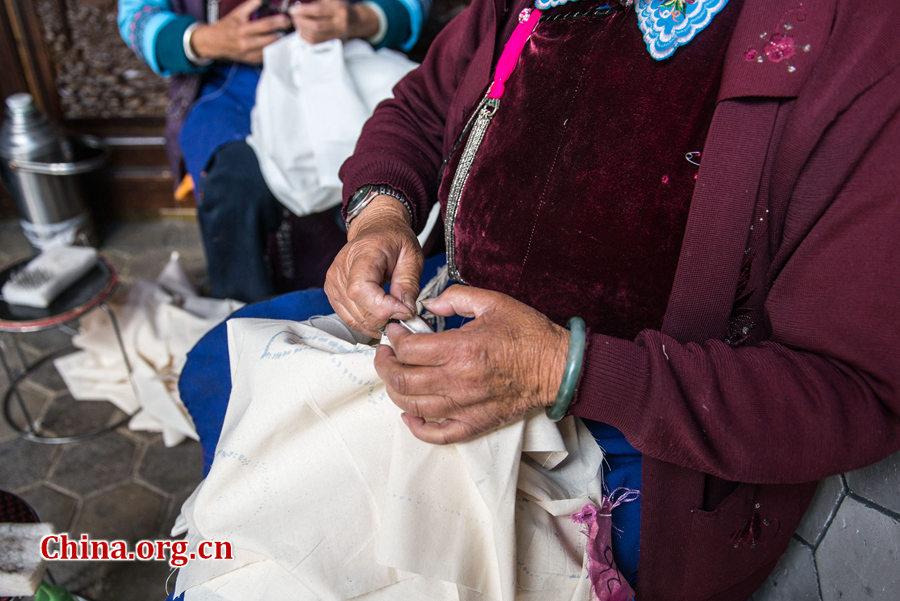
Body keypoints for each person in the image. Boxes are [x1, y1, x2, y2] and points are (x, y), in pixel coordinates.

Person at [178, 0, 899, 598]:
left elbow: (854, 392)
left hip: (646, 431)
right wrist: (380, 211)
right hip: (452, 312)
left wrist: (567, 368)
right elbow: (424, 104)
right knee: (222, 364)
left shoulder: (851, 39)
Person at [118, 0, 431, 302]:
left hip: (345, 61)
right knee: (234, 184)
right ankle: (245, 323)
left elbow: (410, 7)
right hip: (229, 81)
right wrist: (204, 40)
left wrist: (360, 18)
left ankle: (384, 309)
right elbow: (137, 18)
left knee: (378, 168)